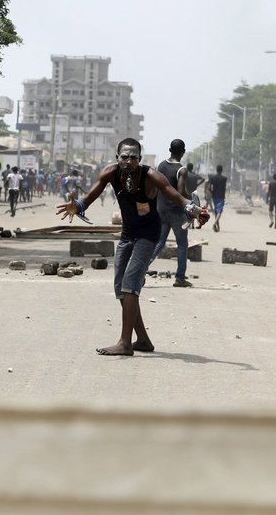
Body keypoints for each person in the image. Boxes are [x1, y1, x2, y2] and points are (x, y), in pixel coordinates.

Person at [56, 138, 208, 355]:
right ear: (117, 157)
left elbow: (175, 195)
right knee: (121, 287)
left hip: (148, 235)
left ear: (140, 159)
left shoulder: (151, 176)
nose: (128, 161)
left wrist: (193, 209)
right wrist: (77, 206)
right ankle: (143, 340)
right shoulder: (110, 173)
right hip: (127, 234)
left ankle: (125, 343)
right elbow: (89, 197)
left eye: (133, 157)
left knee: (130, 285)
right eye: (124, 157)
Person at [151, 139, 194, 288]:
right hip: (176, 212)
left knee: (159, 242)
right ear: (182, 152)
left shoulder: (160, 165)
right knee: (182, 244)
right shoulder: (182, 170)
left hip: (161, 210)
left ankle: (140, 270)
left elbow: (156, 187)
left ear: (170, 150)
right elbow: (181, 192)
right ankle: (180, 278)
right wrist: (192, 198)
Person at [204, 165, 228, 232]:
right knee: (219, 211)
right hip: (221, 196)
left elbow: (210, 187)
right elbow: (224, 188)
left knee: (216, 211)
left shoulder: (213, 178)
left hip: (214, 197)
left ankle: (218, 226)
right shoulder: (224, 179)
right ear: (221, 170)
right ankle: (215, 224)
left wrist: (212, 193)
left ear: (216, 170)